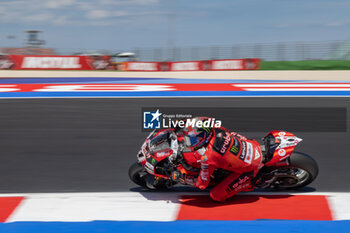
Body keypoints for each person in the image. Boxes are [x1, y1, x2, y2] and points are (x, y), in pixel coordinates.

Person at [172, 117, 264, 202]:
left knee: (216, 195)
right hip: (252, 146)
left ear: (204, 136)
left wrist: (183, 178)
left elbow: (202, 184)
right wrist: (182, 123)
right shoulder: (214, 127)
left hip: (250, 167)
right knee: (229, 134)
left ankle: (249, 183)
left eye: (193, 140)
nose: (190, 144)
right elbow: (201, 119)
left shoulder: (208, 157)